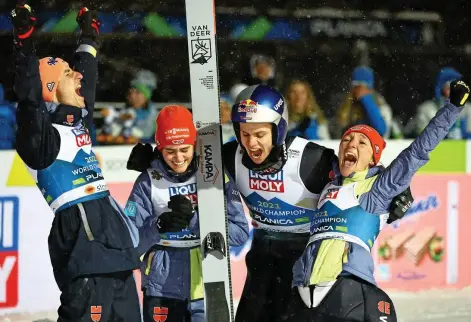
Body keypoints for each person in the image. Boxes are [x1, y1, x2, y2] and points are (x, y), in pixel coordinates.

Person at [126, 84, 413, 321]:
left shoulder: (310, 159)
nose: (251, 144)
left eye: (260, 134)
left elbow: (358, 167)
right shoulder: (231, 157)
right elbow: (187, 158)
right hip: (262, 260)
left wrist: (399, 189)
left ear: (279, 130)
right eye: (245, 134)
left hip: (303, 264)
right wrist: (153, 157)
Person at [289, 80, 471, 322]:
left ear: (372, 158)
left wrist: (452, 108)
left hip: (348, 287)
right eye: (346, 140)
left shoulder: (377, 189)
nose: (351, 144)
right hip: (304, 289)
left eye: (361, 143)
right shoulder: (323, 185)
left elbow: (418, 151)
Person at [12, 4, 144, 320]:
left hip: (116, 251)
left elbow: (89, 72)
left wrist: (89, 35)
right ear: (51, 89)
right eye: (70, 74)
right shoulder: (41, 141)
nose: (79, 75)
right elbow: (29, 101)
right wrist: (24, 41)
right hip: (85, 250)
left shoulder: (77, 122)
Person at [126, 105, 249, 322]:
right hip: (161, 287)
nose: (178, 157)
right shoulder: (147, 181)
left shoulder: (213, 175)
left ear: (195, 145)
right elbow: (129, 243)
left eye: (184, 149)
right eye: (170, 151)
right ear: (159, 148)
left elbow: (239, 233)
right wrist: (157, 227)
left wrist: (195, 220)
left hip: (207, 283)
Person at [406, 67, 471, 139]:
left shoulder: (467, 108)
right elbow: (420, 136)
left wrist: (464, 135)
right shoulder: (426, 109)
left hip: (462, 149)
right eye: (449, 88)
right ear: (442, 90)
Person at [336, 66, 392, 138]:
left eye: (363, 86)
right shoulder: (348, 104)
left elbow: (382, 130)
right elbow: (338, 133)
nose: (359, 90)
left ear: (370, 88)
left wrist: (366, 99)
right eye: (356, 86)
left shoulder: (381, 104)